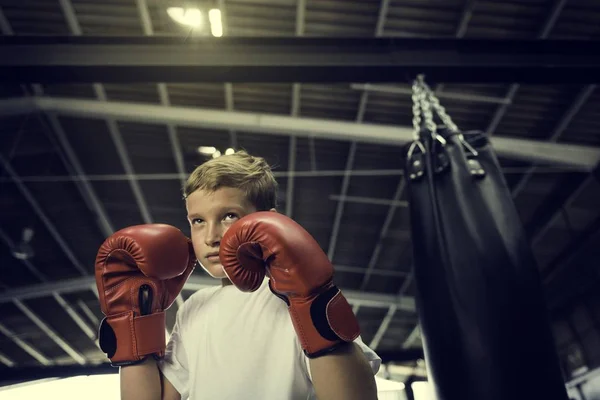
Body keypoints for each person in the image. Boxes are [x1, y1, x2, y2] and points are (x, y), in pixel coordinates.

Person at [95, 150, 381, 399]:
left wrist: (312, 300)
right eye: (198, 221)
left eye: (229, 216)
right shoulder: (196, 307)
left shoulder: (294, 297)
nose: (211, 236)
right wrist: (134, 321)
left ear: (268, 220)